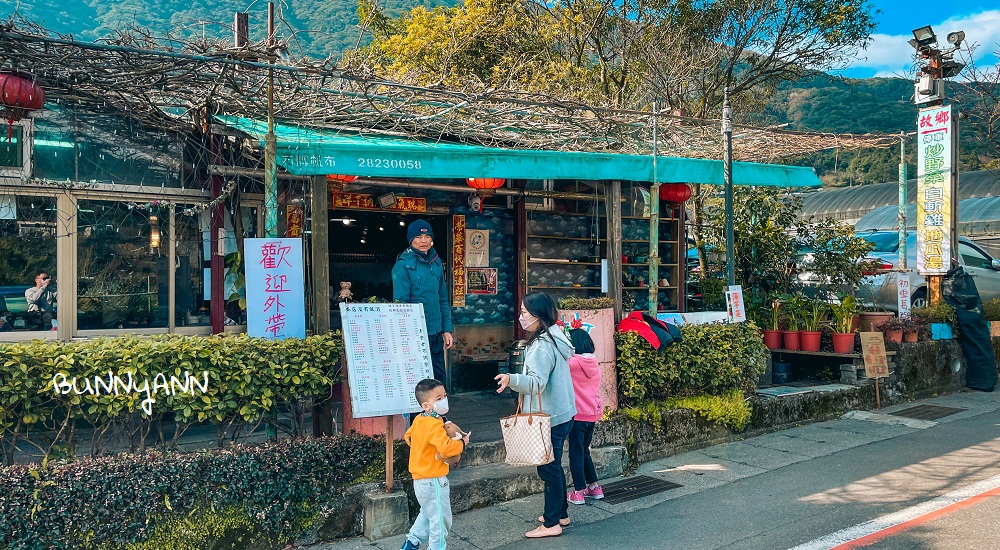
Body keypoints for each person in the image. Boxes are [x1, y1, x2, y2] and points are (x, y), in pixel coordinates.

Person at [495, 292, 576, 539]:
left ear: (538, 316)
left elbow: (537, 383)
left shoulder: (541, 345)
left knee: (549, 469)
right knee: (554, 465)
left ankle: (552, 523)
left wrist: (512, 379)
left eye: (524, 313)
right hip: (563, 413)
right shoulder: (557, 336)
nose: (521, 317)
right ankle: (560, 513)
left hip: (549, 416)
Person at [401, 378, 471, 550]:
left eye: (444, 396)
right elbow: (447, 449)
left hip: (420, 479)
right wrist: (462, 443)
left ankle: (411, 543)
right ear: (426, 405)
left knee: (427, 514)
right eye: (438, 398)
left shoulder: (420, 419)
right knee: (440, 521)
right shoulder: (433, 424)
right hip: (434, 480)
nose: (444, 400)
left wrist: (423, 451)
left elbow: (408, 436)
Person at [393, 220, 453, 384]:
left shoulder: (436, 262)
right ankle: (419, 410)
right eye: (418, 236)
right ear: (411, 239)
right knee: (418, 378)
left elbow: (442, 298)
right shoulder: (403, 265)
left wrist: (446, 330)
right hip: (415, 335)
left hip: (435, 332)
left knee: (438, 376)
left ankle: (438, 409)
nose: (423, 240)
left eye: (427, 236)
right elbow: (400, 305)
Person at [565, 328, 605, 505]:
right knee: (584, 451)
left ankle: (579, 492)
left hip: (578, 414)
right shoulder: (594, 363)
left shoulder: (572, 363)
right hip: (592, 414)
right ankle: (594, 487)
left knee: (575, 453)